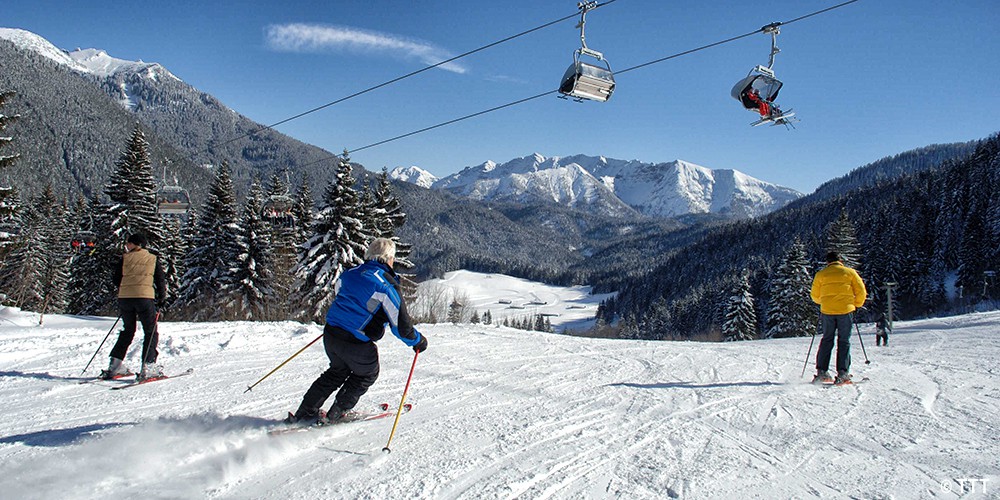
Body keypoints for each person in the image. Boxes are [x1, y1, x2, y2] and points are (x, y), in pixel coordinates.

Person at [286, 238, 428, 424]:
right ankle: (337, 413)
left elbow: (343, 296)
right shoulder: (385, 285)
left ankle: (305, 411)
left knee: (337, 371)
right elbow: (401, 326)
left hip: (331, 334)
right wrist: (417, 341)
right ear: (389, 259)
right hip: (356, 342)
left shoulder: (349, 273)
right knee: (367, 373)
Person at [101, 233, 167, 380]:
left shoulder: (124, 258)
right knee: (150, 331)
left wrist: (126, 290)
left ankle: (115, 365)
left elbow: (116, 279)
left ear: (134, 244)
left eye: (128, 243)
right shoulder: (152, 258)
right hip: (144, 298)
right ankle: (148, 366)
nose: (127, 246)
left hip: (125, 298)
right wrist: (161, 298)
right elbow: (160, 279)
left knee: (128, 331)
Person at [810, 251, 867, 385]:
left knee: (827, 339)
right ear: (840, 260)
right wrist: (856, 304)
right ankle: (843, 373)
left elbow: (814, 295)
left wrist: (824, 302)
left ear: (827, 262)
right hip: (845, 311)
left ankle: (822, 372)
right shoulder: (850, 272)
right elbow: (861, 291)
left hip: (827, 311)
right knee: (844, 341)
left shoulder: (821, 274)